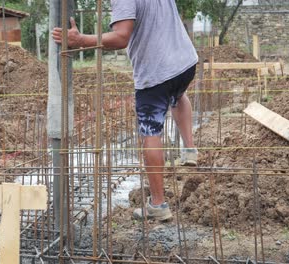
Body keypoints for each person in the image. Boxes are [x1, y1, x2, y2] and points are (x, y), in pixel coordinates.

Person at [53, 0, 198, 221]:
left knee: (151, 129)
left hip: (156, 72)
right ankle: (190, 151)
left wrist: (80, 40)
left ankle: (158, 204)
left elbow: (121, 37)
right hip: (185, 63)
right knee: (177, 94)